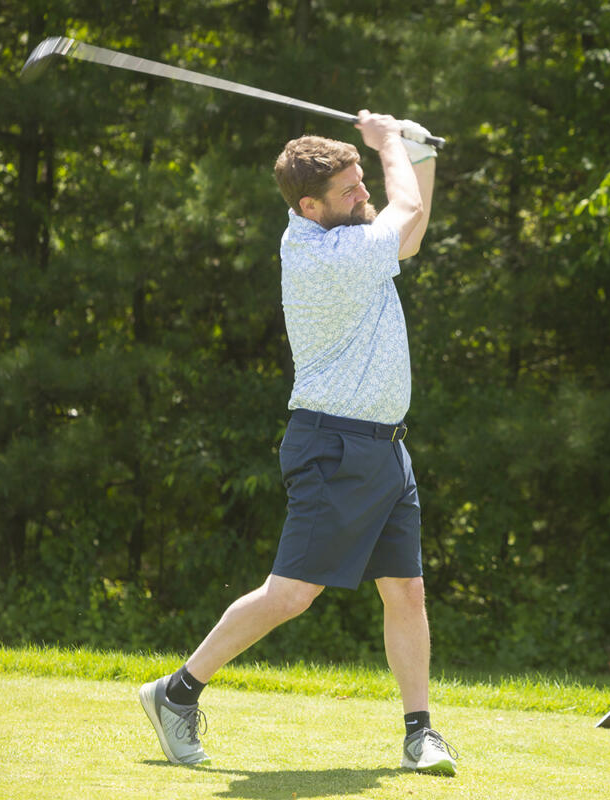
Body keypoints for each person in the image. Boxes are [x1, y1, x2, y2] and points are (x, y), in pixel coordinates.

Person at [139, 110, 456, 776]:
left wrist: (421, 155)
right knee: (290, 594)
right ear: (310, 206)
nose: (364, 194)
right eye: (350, 189)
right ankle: (177, 691)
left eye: (362, 181)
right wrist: (390, 143)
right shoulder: (324, 256)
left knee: (406, 591)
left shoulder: (349, 235)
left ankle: (420, 733)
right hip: (333, 445)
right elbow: (404, 210)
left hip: (385, 448)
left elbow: (407, 234)